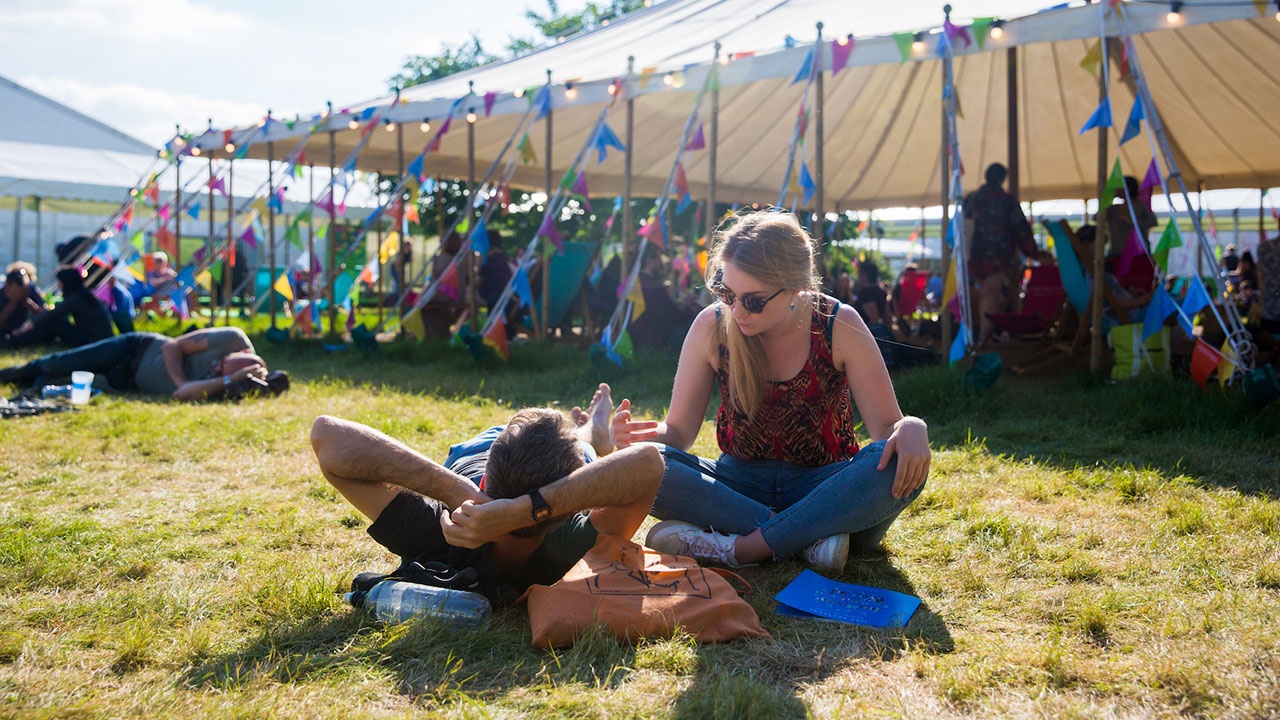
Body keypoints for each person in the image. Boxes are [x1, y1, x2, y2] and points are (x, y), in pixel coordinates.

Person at [613, 211, 931, 574]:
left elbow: (885, 431)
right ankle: (810, 539)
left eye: (753, 300)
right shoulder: (712, 325)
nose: (737, 309)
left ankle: (742, 547)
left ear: (795, 286)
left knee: (903, 463)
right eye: (726, 293)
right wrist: (634, 441)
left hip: (825, 487)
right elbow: (679, 434)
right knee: (643, 462)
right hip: (736, 488)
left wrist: (911, 427)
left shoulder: (838, 323)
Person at [310, 383, 664, 596]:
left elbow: (327, 435)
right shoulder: (572, 546)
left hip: (487, 456)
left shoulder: (438, 534)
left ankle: (590, 433)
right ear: (571, 509)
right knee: (579, 451)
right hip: (492, 447)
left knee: (577, 447)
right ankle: (590, 436)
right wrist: (459, 491)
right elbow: (648, 466)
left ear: (483, 483)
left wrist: (466, 496)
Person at [0, 326, 288, 402]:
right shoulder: (231, 339)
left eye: (222, 373)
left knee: (59, 381)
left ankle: (24, 384)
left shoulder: (235, 382)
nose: (216, 369)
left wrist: (228, 380)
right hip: (135, 349)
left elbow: (182, 396)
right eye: (221, 365)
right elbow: (175, 345)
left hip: (127, 380)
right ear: (233, 354)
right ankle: (9, 374)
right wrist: (182, 382)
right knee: (54, 364)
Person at [965, 163, 1054, 347]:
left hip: (972, 256)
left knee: (990, 295)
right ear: (1002, 179)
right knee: (992, 294)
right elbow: (1020, 229)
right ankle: (984, 338)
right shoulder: (1006, 201)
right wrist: (1034, 253)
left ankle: (989, 334)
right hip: (998, 257)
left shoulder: (972, 199)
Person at [2, 266, 114, 349]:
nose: (58, 285)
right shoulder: (84, 295)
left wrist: (25, 329)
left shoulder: (75, 299)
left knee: (55, 323)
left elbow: (51, 315)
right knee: (58, 322)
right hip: (99, 339)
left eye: (59, 282)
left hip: (92, 342)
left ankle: (16, 342)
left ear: (66, 283)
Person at [0, 263, 45, 337]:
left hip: (23, 329)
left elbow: (44, 314)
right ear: (7, 286)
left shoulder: (31, 290)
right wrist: (13, 304)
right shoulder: (1, 293)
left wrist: (28, 303)